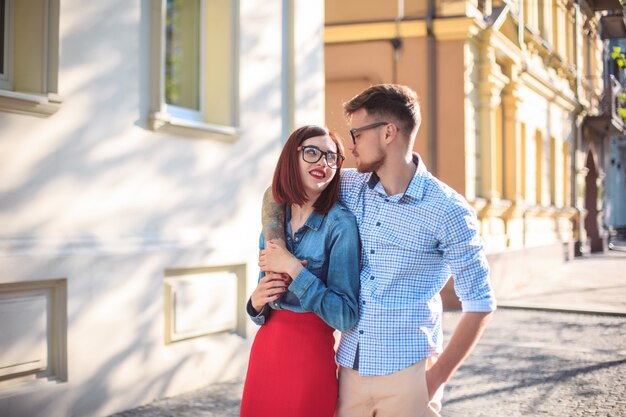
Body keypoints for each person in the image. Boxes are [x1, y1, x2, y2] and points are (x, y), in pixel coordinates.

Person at [261, 84, 497, 417]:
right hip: (350, 367)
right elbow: (280, 189)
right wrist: (278, 251)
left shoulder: (448, 210)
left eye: (356, 134)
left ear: (388, 132)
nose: (351, 146)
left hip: (409, 372)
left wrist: (434, 380)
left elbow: (481, 303)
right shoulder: (351, 185)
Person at [240, 125, 361, 417]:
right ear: (291, 158)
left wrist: (294, 268)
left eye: (332, 158)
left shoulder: (340, 225)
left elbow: (345, 316)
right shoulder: (274, 218)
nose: (324, 163)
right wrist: (255, 302)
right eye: (312, 153)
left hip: (309, 360)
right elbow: (265, 306)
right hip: (265, 353)